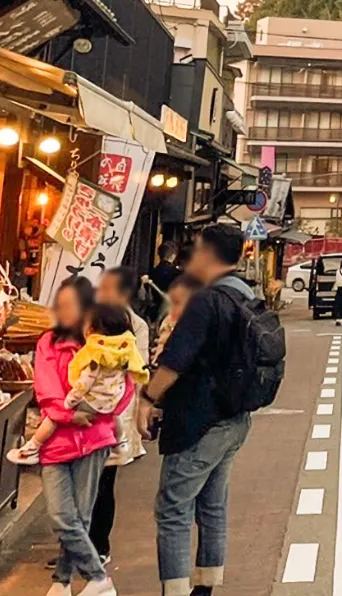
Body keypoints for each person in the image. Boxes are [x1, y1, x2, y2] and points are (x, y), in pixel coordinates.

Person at [139, 223, 256, 596]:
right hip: (234, 418)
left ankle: (174, 592)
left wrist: (148, 399)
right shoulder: (245, 296)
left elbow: (176, 360)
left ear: (207, 254)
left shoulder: (206, 300)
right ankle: (205, 588)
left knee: (173, 510)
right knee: (213, 505)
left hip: (198, 421)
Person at [28, 277, 128, 596]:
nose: (65, 311)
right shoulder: (48, 342)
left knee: (81, 517)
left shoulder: (107, 342)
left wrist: (102, 413)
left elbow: (125, 388)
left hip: (93, 439)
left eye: (71, 305)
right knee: (61, 516)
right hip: (58, 439)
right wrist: (70, 415)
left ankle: (61, 581)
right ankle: (99, 578)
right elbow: (46, 389)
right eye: (61, 304)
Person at [8, 302, 146, 465]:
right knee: (116, 419)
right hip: (88, 429)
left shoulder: (94, 354)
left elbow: (83, 383)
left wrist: (69, 408)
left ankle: (32, 447)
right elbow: (134, 378)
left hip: (88, 435)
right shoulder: (123, 353)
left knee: (51, 422)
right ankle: (121, 443)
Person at [87, 267, 152, 562]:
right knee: (81, 483)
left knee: (103, 483)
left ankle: (99, 546)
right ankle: (77, 544)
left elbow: (138, 370)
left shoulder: (135, 326)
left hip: (114, 416)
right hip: (85, 410)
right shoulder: (90, 317)